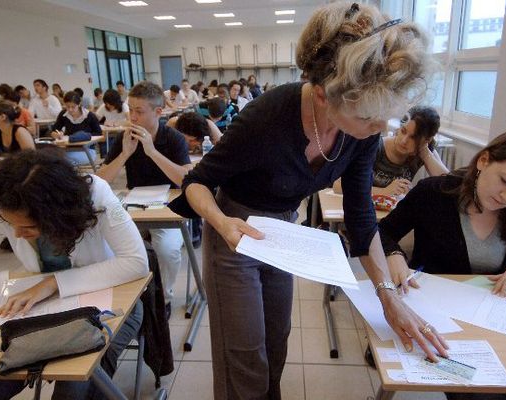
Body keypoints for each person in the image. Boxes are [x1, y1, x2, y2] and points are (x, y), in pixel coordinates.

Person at [173, 3, 446, 399]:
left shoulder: (361, 134)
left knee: (277, 339)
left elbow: (360, 215)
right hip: (235, 228)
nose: (381, 129)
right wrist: (221, 223)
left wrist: (386, 295)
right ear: (323, 95)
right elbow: (196, 183)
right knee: (244, 350)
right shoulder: (266, 118)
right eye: (370, 117)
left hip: (282, 230)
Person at [0, 149, 149, 400]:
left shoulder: (97, 195)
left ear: (58, 215)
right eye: (11, 225)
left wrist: (51, 284)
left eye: (28, 226)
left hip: (111, 304)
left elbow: (136, 262)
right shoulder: (2, 205)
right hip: (38, 312)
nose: (17, 234)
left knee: (73, 391)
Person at [379, 128, 506, 400]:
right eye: (505, 181)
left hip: (492, 321)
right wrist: (394, 254)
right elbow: (383, 232)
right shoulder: (433, 193)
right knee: (483, 391)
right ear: (483, 161)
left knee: (502, 380)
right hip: (433, 317)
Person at [96, 81, 191, 314]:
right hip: (132, 205)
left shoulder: (174, 138)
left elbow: (185, 180)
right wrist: (125, 154)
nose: (133, 117)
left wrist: (152, 152)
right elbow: (99, 182)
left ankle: (164, 299)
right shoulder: (125, 138)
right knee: (104, 246)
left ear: (158, 112)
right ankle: (129, 299)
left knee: (166, 248)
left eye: (139, 111)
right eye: (130, 109)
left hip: (168, 205)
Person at [333, 106, 449, 196]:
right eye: (403, 131)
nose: (404, 141)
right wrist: (384, 192)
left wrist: (425, 153)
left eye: (413, 137)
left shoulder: (423, 151)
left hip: (390, 216)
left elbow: (449, 183)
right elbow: (338, 185)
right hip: (360, 212)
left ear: (426, 140)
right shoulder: (376, 147)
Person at [51, 91, 101, 165]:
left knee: (63, 159)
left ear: (79, 104)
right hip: (68, 148)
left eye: (73, 107)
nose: (70, 109)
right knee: (56, 157)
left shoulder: (89, 116)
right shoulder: (63, 115)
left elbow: (98, 133)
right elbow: (54, 130)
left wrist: (82, 136)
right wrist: (56, 134)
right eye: (67, 106)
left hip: (87, 150)